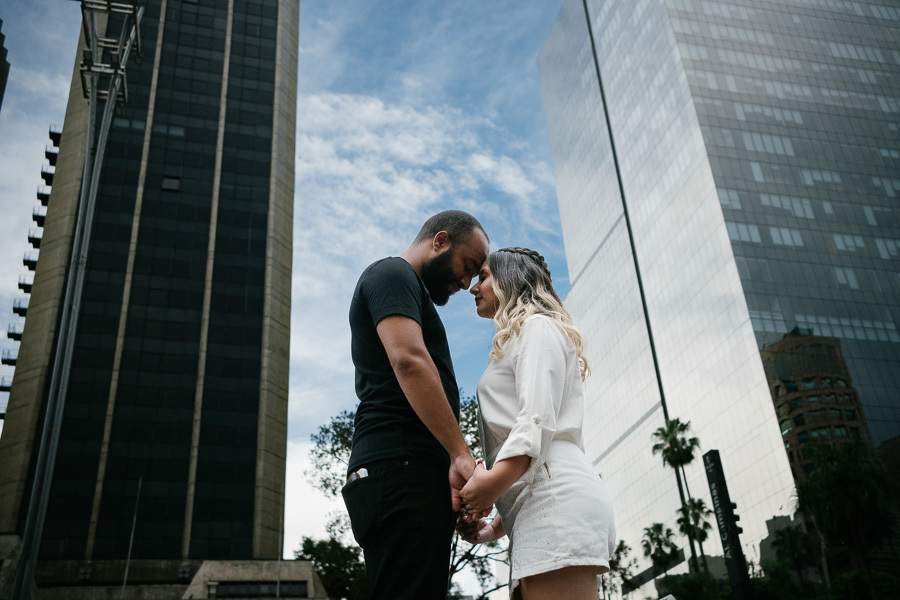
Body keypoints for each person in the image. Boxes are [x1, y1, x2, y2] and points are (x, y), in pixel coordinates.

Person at [342, 210, 491, 599]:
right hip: (399, 469)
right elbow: (408, 359)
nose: (465, 281)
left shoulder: (406, 286)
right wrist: (460, 454)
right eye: (467, 266)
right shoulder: (392, 274)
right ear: (440, 241)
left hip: (408, 472)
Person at [458, 247, 616, 600]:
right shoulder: (519, 339)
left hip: (555, 500)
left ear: (510, 278)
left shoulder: (538, 327)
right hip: (538, 501)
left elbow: (536, 421)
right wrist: (492, 528)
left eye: (483, 276)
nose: (473, 287)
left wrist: (490, 485)